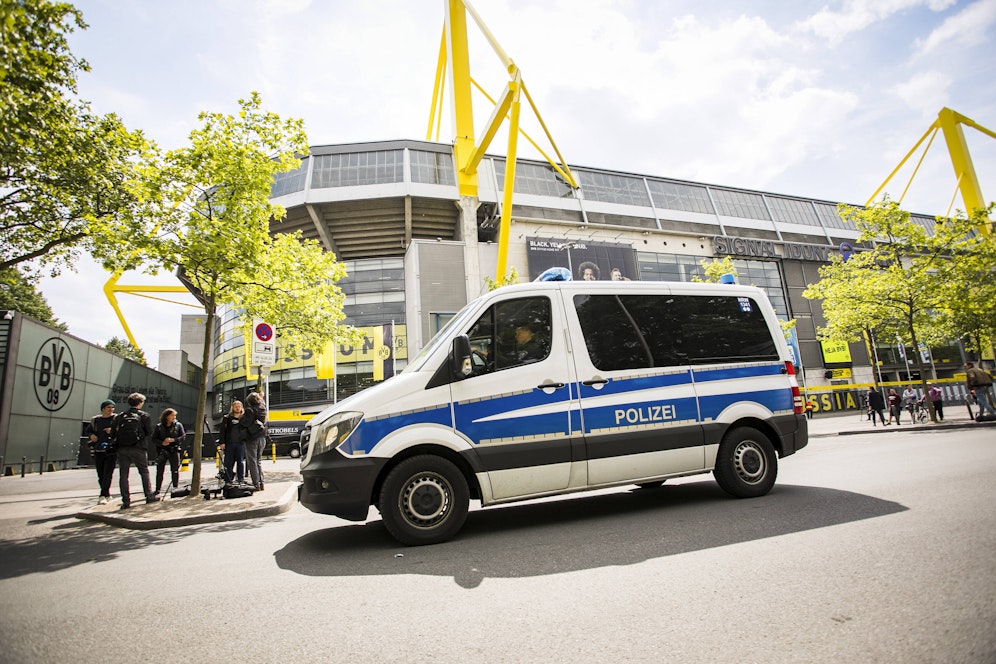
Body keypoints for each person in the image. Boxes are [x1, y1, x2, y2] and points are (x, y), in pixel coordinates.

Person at [110, 392, 155, 508]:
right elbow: (149, 432)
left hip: (122, 448)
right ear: (140, 403)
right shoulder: (144, 415)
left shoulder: (120, 416)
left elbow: (112, 433)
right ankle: (149, 495)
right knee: (144, 471)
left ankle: (126, 500)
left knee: (123, 474)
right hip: (139, 448)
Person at [84, 399, 117, 504]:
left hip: (111, 449)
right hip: (98, 449)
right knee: (101, 474)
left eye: (112, 407)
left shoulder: (116, 419)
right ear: (103, 409)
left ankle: (102, 495)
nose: (111, 410)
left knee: (108, 473)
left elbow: (121, 431)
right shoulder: (96, 420)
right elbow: (88, 430)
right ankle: (106, 494)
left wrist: (112, 431)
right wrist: (91, 436)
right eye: (108, 407)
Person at [152, 408, 185, 496]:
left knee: (175, 470)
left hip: (174, 450)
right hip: (162, 451)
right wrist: (162, 443)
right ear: (166, 416)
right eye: (172, 415)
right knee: (160, 471)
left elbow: (183, 436)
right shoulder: (159, 427)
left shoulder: (178, 425)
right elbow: (153, 439)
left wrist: (173, 440)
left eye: (175, 415)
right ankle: (157, 489)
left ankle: (175, 487)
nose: (174, 417)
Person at [218, 400, 248, 484]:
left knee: (240, 461)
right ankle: (228, 478)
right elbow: (222, 431)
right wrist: (222, 442)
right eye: (236, 406)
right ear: (233, 408)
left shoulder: (244, 418)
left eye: (239, 406)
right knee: (228, 462)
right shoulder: (227, 418)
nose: (238, 408)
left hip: (240, 443)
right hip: (229, 443)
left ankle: (240, 479)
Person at [244, 391, 268, 492]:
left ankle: (256, 484)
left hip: (252, 438)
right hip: (262, 436)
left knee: (252, 461)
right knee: (258, 461)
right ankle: (261, 482)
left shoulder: (250, 410)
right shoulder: (263, 408)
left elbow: (246, 423)